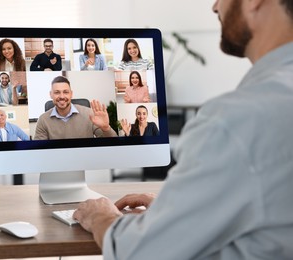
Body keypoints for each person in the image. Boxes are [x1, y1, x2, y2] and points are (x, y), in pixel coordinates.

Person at [73, 0, 293, 259]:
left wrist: (101, 216)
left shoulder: (236, 119)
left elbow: (142, 252)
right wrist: (180, 209)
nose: (214, 7)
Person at [34, 76, 117, 140]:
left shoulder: (90, 114)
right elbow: (38, 150)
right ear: (51, 95)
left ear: (71, 94)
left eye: (66, 92)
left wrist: (106, 128)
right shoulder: (43, 120)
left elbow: (112, 143)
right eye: (57, 92)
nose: (62, 96)